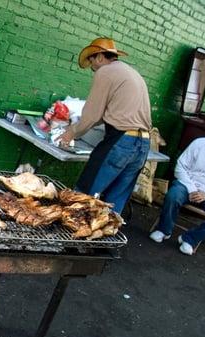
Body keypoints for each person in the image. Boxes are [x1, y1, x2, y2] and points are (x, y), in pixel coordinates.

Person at [58, 37, 152, 213]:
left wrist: (71, 132)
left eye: (92, 61)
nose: (93, 68)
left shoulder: (106, 71)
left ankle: (69, 234)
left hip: (121, 142)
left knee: (85, 193)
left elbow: (92, 115)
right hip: (143, 145)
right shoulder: (130, 72)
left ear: (100, 57)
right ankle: (105, 235)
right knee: (114, 203)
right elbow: (109, 113)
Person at [149, 122, 205, 255]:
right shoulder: (200, 143)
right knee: (173, 195)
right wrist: (192, 189)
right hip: (188, 184)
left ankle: (190, 239)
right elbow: (180, 166)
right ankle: (164, 230)